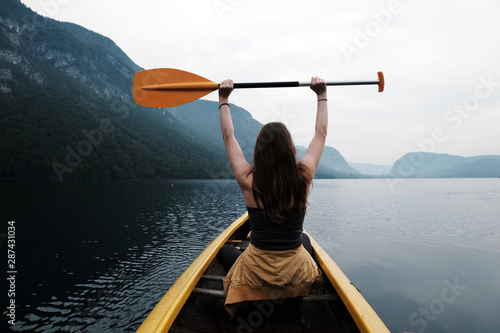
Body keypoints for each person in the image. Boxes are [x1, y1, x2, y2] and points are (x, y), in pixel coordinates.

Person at [218, 76, 328, 317]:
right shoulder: (303, 178)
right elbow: (320, 135)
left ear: (260, 151)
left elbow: (229, 137)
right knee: (305, 242)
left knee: (225, 251)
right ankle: (293, 295)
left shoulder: (249, 181)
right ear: (290, 150)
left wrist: (223, 99)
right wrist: (321, 94)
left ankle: (255, 297)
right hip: (294, 269)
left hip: (257, 270)